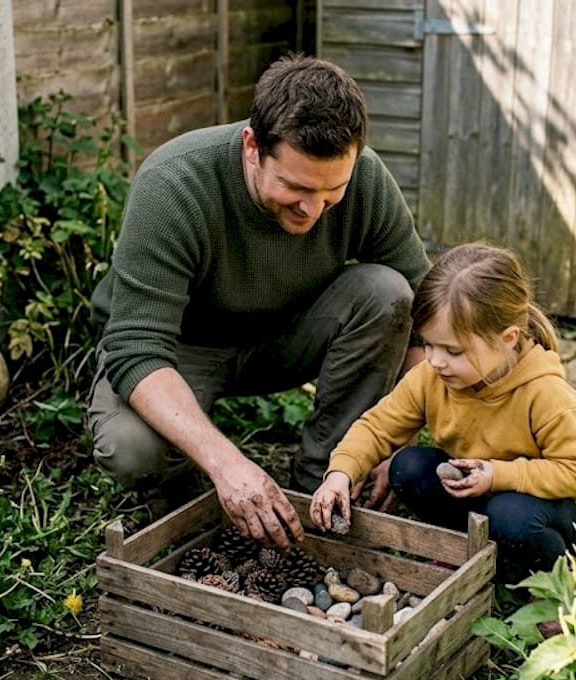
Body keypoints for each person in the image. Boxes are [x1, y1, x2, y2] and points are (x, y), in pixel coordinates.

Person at [87, 54, 431, 549]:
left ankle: (324, 474)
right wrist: (228, 466)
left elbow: (425, 315)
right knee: (132, 448)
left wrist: (395, 437)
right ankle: (182, 496)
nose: (313, 209)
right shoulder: (173, 184)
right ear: (253, 147)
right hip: (184, 350)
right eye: (294, 187)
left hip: (286, 338)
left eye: (332, 191)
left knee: (388, 292)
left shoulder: (367, 180)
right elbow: (136, 349)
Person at [309, 243, 576, 585]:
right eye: (429, 344)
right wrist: (340, 473)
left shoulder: (548, 397)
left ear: (507, 338)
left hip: (551, 509)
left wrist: (497, 475)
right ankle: (462, 547)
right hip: (482, 490)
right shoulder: (432, 376)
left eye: (453, 351)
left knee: (507, 514)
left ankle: (556, 580)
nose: (435, 360)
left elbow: (575, 474)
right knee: (409, 467)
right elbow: (378, 427)